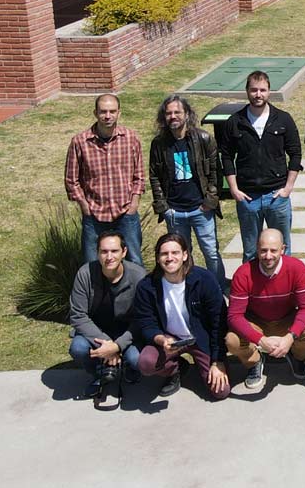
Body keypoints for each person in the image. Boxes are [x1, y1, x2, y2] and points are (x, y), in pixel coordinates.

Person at [218, 70, 303, 264]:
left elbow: (295, 154)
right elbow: (227, 157)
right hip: (248, 198)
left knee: (282, 250)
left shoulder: (283, 119)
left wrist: (288, 188)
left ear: (269, 91)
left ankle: (282, 290)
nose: (258, 94)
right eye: (254, 90)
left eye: (262, 90)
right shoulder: (235, 122)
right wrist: (234, 190)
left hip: (277, 197)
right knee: (250, 251)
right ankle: (251, 292)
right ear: (247, 91)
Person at [133, 233, 229, 400]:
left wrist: (217, 361)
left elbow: (218, 323)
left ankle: (206, 364)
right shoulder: (147, 286)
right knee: (146, 363)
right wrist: (161, 339)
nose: (169, 258)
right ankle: (176, 369)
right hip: (169, 339)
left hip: (200, 338)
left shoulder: (204, 280)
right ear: (157, 258)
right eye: (164, 254)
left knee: (221, 392)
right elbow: (146, 322)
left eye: (175, 253)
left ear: (185, 255)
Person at [225, 229, 305, 389]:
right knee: (232, 341)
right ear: (257, 248)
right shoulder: (243, 274)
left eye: (273, 250)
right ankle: (254, 361)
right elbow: (234, 316)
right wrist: (260, 339)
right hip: (255, 320)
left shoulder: (297, 268)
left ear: (283, 249)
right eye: (263, 250)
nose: (268, 256)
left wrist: (290, 338)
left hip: (286, 318)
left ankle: (296, 355)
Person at [148, 94, 224, 284]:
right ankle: (187, 286)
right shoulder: (159, 144)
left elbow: (216, 171)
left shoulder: (203, 138)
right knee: (182, 254)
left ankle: (218, 287)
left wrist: (209, 201)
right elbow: (154, 175)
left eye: (177, 112)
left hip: (201, 209)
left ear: (187, 114)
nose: (173, 116)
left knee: (211, 252)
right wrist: (163, 207)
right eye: (168, 113)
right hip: (174, 211)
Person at [65, 94, 145, 266]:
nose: (108, 116)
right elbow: (71, 180)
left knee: (134, 261)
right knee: (92, 264)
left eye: (112, 111)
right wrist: (84, 206)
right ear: (95, 113)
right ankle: (96, 294)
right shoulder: (80, 142)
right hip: (94, 215)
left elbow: (139, 175)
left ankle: (137, 293)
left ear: (119, 113)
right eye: (103, 112)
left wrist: (134, 203)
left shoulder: (131, 138)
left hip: (125, 213)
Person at [69, 231, 146, 398]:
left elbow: (143, 319)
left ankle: (127, 367)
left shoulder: (138, 276)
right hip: (96, 332)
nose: (109, 256)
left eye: (114, 251)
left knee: (137, 360)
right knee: (78, 348)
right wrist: (108, 345)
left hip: (128, 332)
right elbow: (78, 315)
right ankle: (99, 372)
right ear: (97, 253)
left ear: (124, 252)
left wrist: (117, 346)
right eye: (104, 251)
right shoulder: (85, 274)